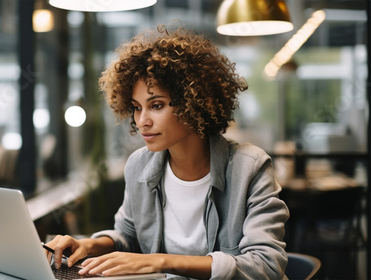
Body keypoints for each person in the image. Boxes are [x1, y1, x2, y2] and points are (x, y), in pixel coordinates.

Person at [47, 25, 290, 280]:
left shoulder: (249, 167)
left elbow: (266, 266)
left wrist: (160, 262)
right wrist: (89, 245)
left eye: (157, 105)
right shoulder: (139, 165)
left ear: (193, 102)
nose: (142, 121)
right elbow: (129, 236)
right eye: (137, 108)